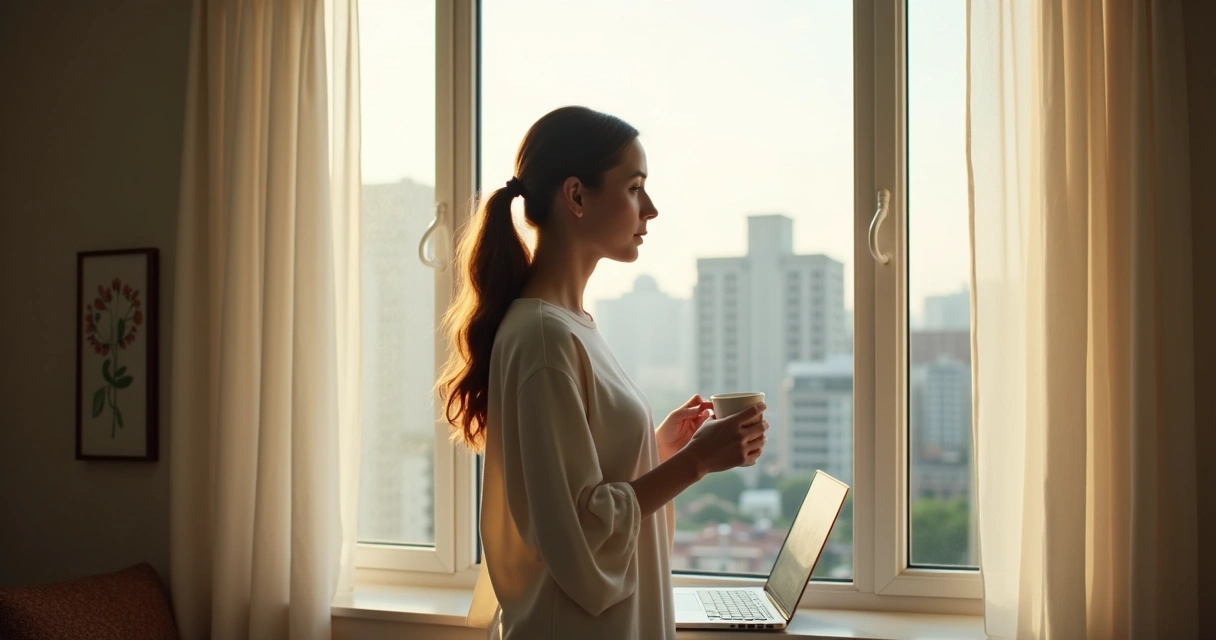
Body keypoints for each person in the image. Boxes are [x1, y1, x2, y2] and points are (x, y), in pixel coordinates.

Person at [438, 106, 769, 640]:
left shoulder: (570, 325)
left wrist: (658, 449)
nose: (651, 209)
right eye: (635, 188)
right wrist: (697, 462)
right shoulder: (544, 337)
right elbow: (576, 532)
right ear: (576, 196)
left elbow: (574, 485)